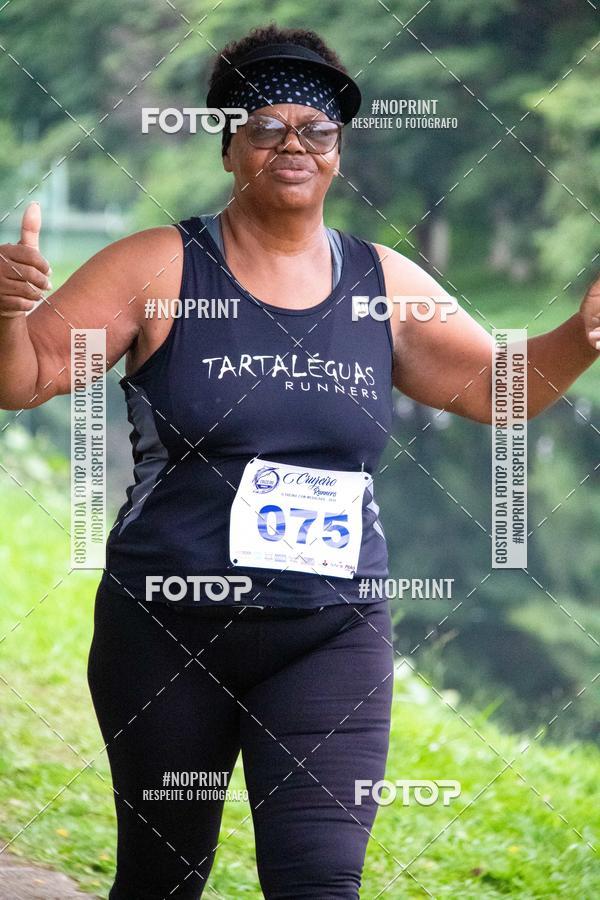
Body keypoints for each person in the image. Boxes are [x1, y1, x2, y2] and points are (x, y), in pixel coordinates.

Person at [0, 23, 599, 900]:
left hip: (332, 629)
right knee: (163, 880)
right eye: (266, 126)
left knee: (320, 882)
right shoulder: (159, 266)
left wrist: (581, 336)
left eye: (316, 130)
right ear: (228, 144)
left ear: (339, 151)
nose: (294, 144)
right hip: (168, 630)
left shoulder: (383, 281)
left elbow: (496, 390)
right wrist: (9, 316)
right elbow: (28, 380)